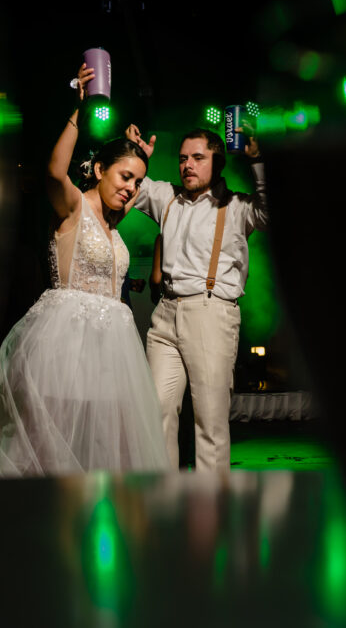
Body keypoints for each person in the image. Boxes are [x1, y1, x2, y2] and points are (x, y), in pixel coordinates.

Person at [0, 65, 168, 477]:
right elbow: (53, 171)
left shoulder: (114, 226)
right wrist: (77, 112)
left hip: (112, 348)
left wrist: (138, 160)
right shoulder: (72, 206)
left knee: (105, 446)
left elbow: (126, 193)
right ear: (100, 170)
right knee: (48, 444)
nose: (131, 188)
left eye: (138, 183)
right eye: (125, 177)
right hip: (65, 341)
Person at [125, 123, 267, 471]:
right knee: (156, 414)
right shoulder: (166, 197)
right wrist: (135, 156)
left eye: (198, 158)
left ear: (216, 163)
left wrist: (258, 161)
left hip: (211, 315)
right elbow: (126, 186)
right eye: (183, 158)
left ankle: (211, 512)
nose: (187, 164)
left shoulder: (236, 206)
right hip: (166, 315)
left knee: (210, 422)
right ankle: (166, 504)